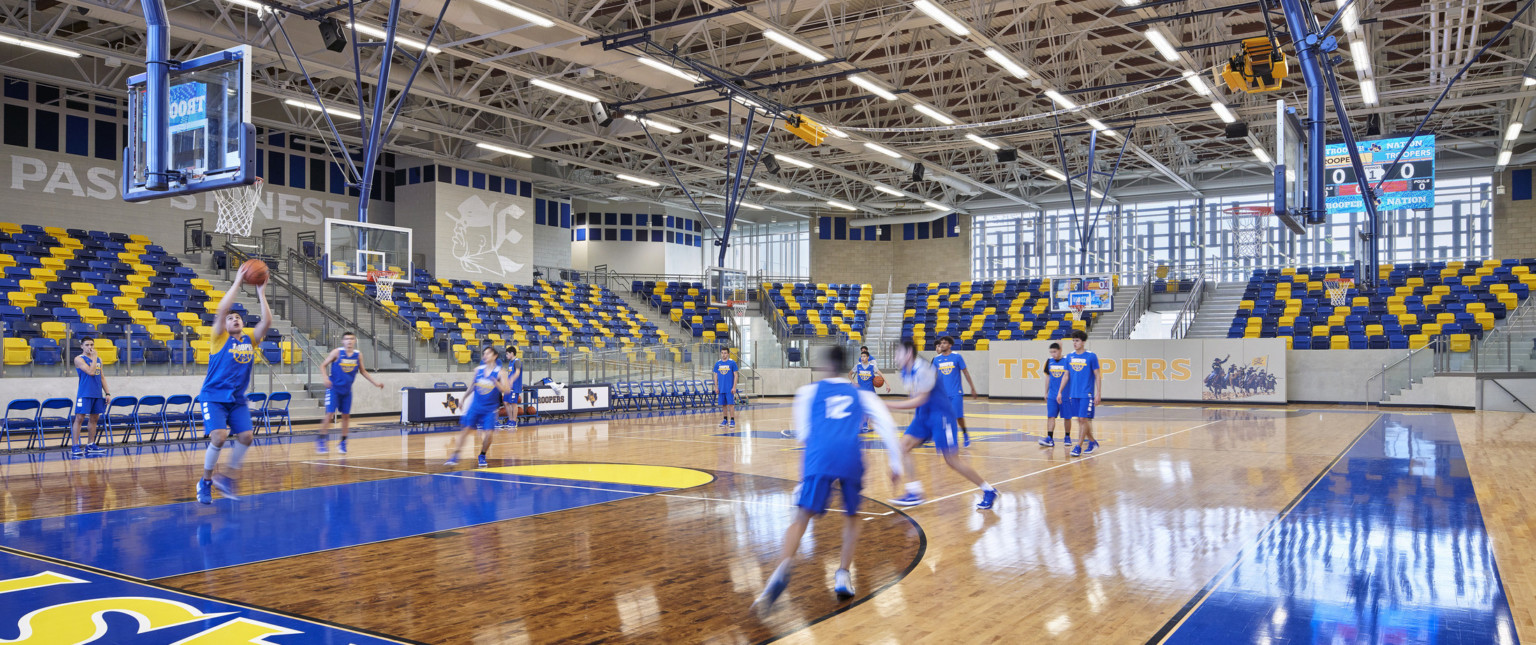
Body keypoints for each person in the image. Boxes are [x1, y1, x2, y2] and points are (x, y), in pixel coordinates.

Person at [753, 346, 903, 614]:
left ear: (825, 366)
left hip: (819, 457)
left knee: (802, 517)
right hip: (849, 456)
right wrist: (895, 463)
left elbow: (803, 434)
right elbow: (886, 425)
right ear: (849, 368)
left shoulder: (808, 392)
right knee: (852, 515)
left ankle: (782, 568)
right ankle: (843, 573)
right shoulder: (860, 393)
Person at [887, 340, 998, 510]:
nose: (895, 357)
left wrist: (888, 405)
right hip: (923, 416)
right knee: (902, 447)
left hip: (941, 416)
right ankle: (914, 492)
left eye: (898, 353)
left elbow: (920, 399)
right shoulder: (905, 371)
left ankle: (988, 490)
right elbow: (914, 397)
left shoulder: (924, 368)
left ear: (909, 353)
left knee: (952, 460)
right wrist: (895, 466)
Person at [196, 264, 272, 504]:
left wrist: (261, 292)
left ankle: (226, 478)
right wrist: (238, 281)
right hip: (213, 396)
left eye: (237, 317)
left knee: (247, 437)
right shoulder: (218, 338)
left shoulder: (250, 340)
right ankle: (206, 481)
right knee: (219, 436)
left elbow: (266, 322)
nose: (233, 319)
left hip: (237, 399)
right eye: (231, 318)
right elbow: (221, 311)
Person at [316, 332, 384, 454]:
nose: (349, 341)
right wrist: (325, 378)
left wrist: (375, 383)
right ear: (343, 341)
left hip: (347, 390)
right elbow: (323, 365)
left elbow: (363, 371)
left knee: (346, 416)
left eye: (352, 339)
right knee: (330, 414)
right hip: (334, 388)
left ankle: (343, 442)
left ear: (354, 341)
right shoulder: (337, 352)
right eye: (347, 339)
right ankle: (321, 440)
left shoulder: (358, 355)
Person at [445, 345, 508, 468]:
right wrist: (463, 398)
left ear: (494, 356)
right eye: (484, 354)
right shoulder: (478, 370)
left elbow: (507, 390)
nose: (485, 356)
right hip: (475, 406)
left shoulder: (500, 372)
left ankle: (482, 455)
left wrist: (496, 383)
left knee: (489, 434)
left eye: (488, 353)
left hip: (490, 409)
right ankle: (455, 455)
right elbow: (472, 385)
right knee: (465, 430)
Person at [1058, 329, 1102, 457]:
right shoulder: (1069, 357)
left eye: (1077, 341)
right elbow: (1066, 375)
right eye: (1073, 341)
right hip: (1073, 394)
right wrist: (1060, 392)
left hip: (1086, 394)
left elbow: (1097, 375)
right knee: (1081, 420)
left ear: (1083, 342)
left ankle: (1078, 446)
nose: (1074, 343)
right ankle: (1093, 442)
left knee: (1083, 419)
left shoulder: (1091, 356)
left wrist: (1098, 393)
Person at [930, 336, 978, 447]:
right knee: (945, 418)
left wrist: (972, 387)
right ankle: (951, 440)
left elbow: (965, 372)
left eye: (944, 343)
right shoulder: (937, 359)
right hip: (942, 395)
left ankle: (965, 434)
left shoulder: (957, 357)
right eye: (941, 343)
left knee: (958, 417)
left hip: (956, 392)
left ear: (950, 345)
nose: (942, 345)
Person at [68, 337, 109, 457]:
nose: (90, 347)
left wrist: (107, 393)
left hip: (97, 393)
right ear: (82, 346)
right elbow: (91, 372)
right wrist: (95, 358)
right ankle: (75, 446)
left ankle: (90, 444)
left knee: (94, 419)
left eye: (91, 344)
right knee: (79, 418)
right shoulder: (79, 359)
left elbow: (101, 377)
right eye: (87, 345)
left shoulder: (99, 360)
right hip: (85, 393)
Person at [1038, 342, 1072, 447]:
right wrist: (1046, 392)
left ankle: (1067, 437)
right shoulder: (1049, 361)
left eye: (1055, 351)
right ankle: (1049, 438)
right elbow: (1048, 377)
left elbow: (1069, 376)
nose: (1053, 354)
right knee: (1050, 416)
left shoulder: (1067, 361)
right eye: (1051, 352)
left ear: (1060, 350)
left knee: (1067, 417)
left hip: (1065, 395)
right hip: (1052, 395)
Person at [714, 348, 739, 427]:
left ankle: (732, 420)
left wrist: (734, 387)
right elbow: (715, 375)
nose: (723, 354)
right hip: (721, 388)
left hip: (729, 388)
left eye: (725, 353)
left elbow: (736, 375)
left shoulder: (732, 363)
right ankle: (725, 420)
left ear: (728, 354)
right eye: (722, 353)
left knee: (731, 404)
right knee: (723, 405)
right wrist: (716, 387)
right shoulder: (718, 363)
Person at [500, 346, 523, 430]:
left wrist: (511, 381)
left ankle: (514, 421)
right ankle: (510, 420)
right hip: (509, 387)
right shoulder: (510, 362)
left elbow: (517, 373)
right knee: (505, 402)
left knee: (514, 403)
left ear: (512, 353)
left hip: (514, 386)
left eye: (507, 354)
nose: (506, 355)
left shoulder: (517, 362)